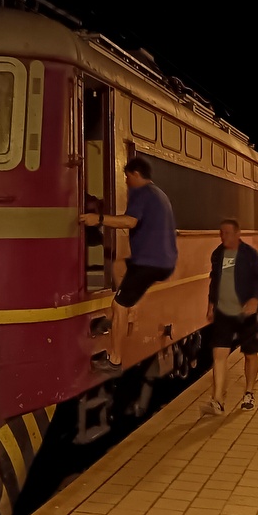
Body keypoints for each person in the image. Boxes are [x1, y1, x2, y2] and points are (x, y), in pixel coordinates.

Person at [78, 157, 176, 375]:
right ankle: (123, 316)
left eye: (127, 176)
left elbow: (129, 221)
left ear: (136, 175)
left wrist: (99, 219)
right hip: (163, 262)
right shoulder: (159, 194)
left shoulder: (141, 194)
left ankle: (114, 360)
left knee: (119, 305)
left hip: (148, 263)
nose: (126, 181)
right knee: (119, 267)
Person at [203, 218, 258, 415]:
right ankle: (218, 400)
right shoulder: (218, 254)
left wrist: (255, 300)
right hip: (224, 312)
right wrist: (211, 305)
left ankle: (249, 392)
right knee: (219, 356)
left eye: (228, 233)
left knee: (250, 353)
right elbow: (214, 281)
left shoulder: (250, 255)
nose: (223, 236)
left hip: (246, 313)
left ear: (238, 234)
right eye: (221, 233)